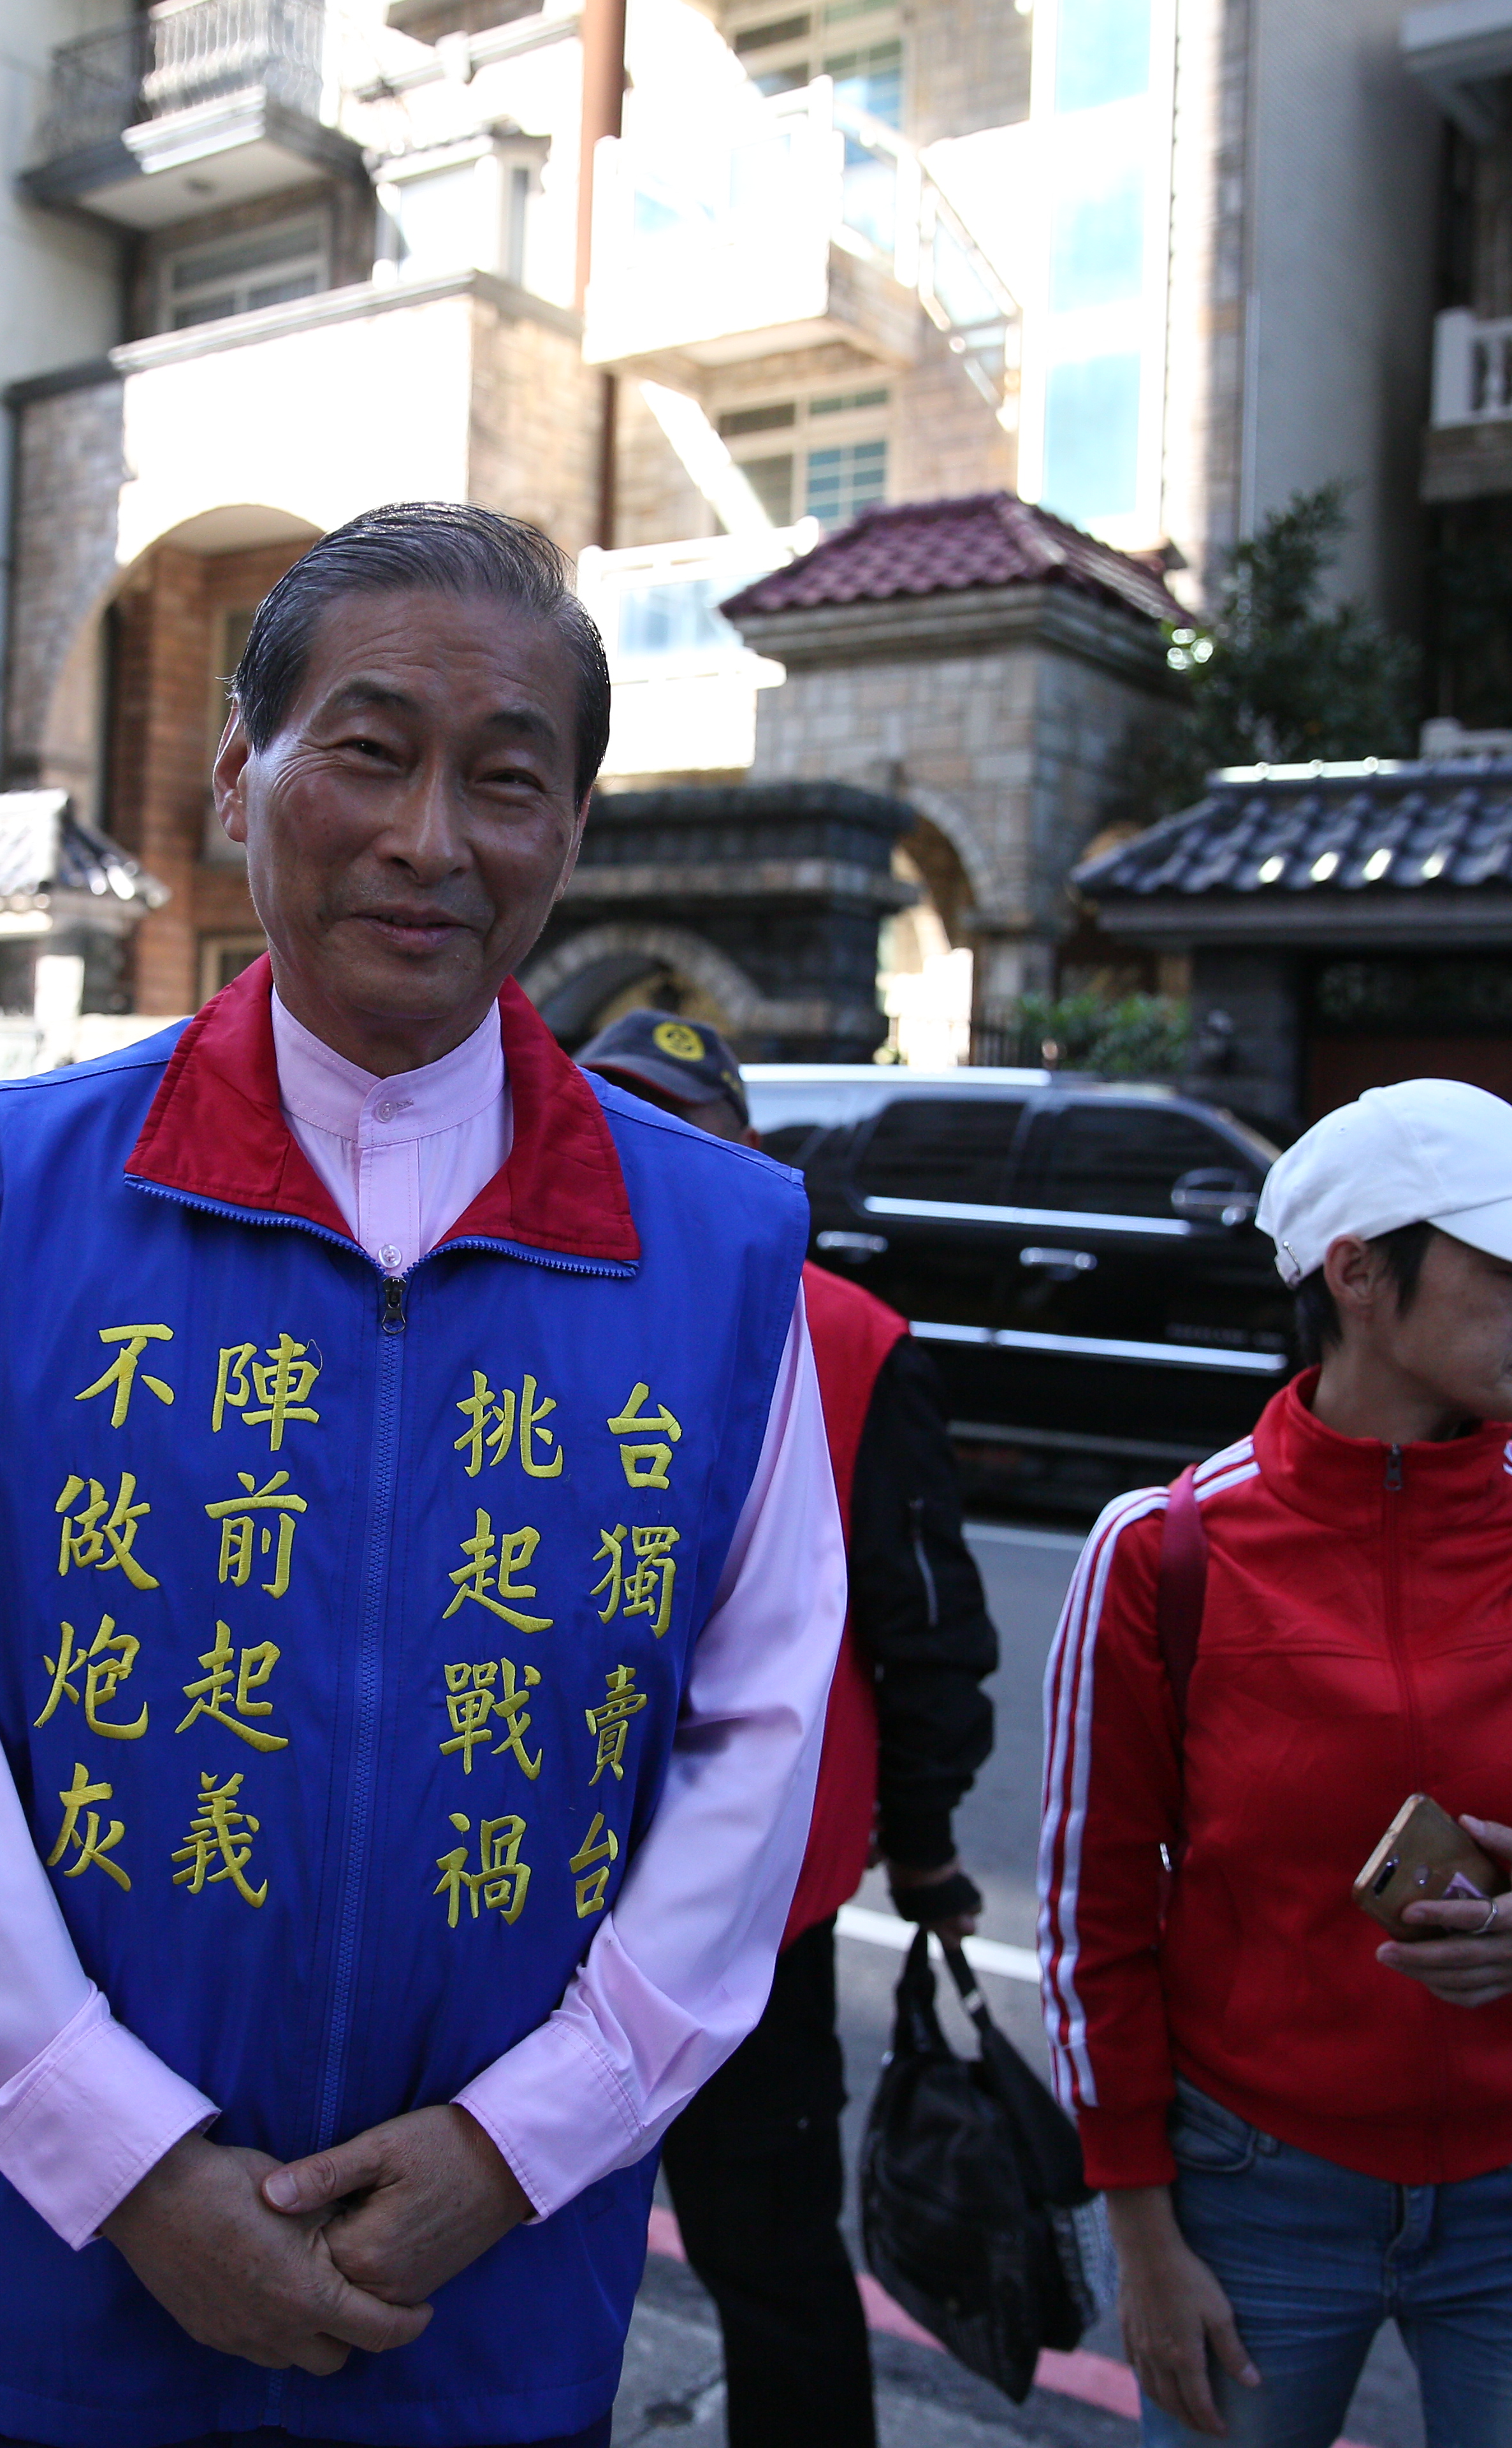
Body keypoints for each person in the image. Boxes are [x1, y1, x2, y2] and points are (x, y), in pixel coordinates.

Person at [0, 502, 848, 2448]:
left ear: (572, 831)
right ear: (239, 776)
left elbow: (761, 1727)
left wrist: (517, 2142)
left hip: (464, 2307)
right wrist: (119, 2157)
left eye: (506, 781)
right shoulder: (18, 1198)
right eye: (368, 752)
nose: (429, 838)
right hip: (23, 2296)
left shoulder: (719, 1251)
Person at [1033, 1078, 1512, 2448]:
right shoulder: (1162, 1552)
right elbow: (1091, 1919)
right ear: (1356, 1275)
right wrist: (1143, 2236)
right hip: (1253, 2184)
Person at [572, 1010, 997, 2448]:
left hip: (753, 1902)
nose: (646, 1154)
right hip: (519, 1874)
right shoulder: (516, 1288)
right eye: (616, 1119)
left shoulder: (849, 1338)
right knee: (520, 2239)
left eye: (680, 1126)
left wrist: (925, 1843)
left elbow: (923, 1626)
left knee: (763, 2252)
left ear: (748, 1153)